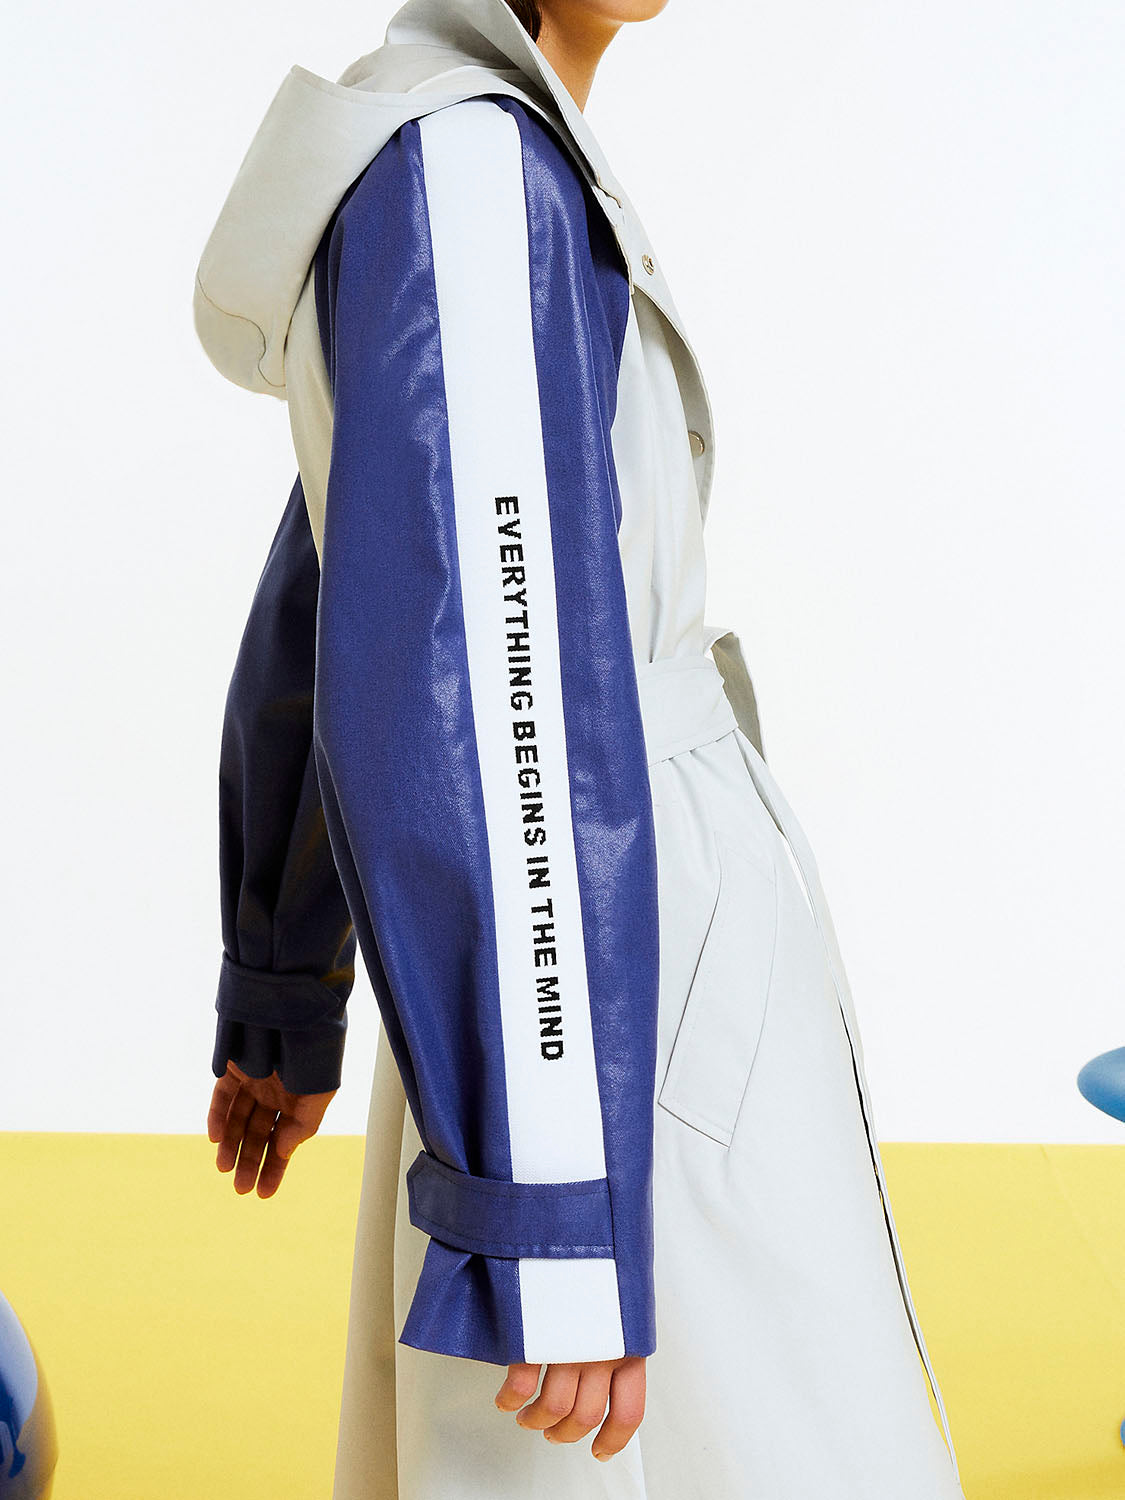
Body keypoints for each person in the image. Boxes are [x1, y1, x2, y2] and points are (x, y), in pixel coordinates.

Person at [196, 1, 969, 1495]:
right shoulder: (470, 172)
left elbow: (346, 576)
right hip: (595, 972)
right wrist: (542, 1206)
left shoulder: (469, 150)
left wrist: (285, 972)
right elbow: (471, 682)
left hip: (573, 967)